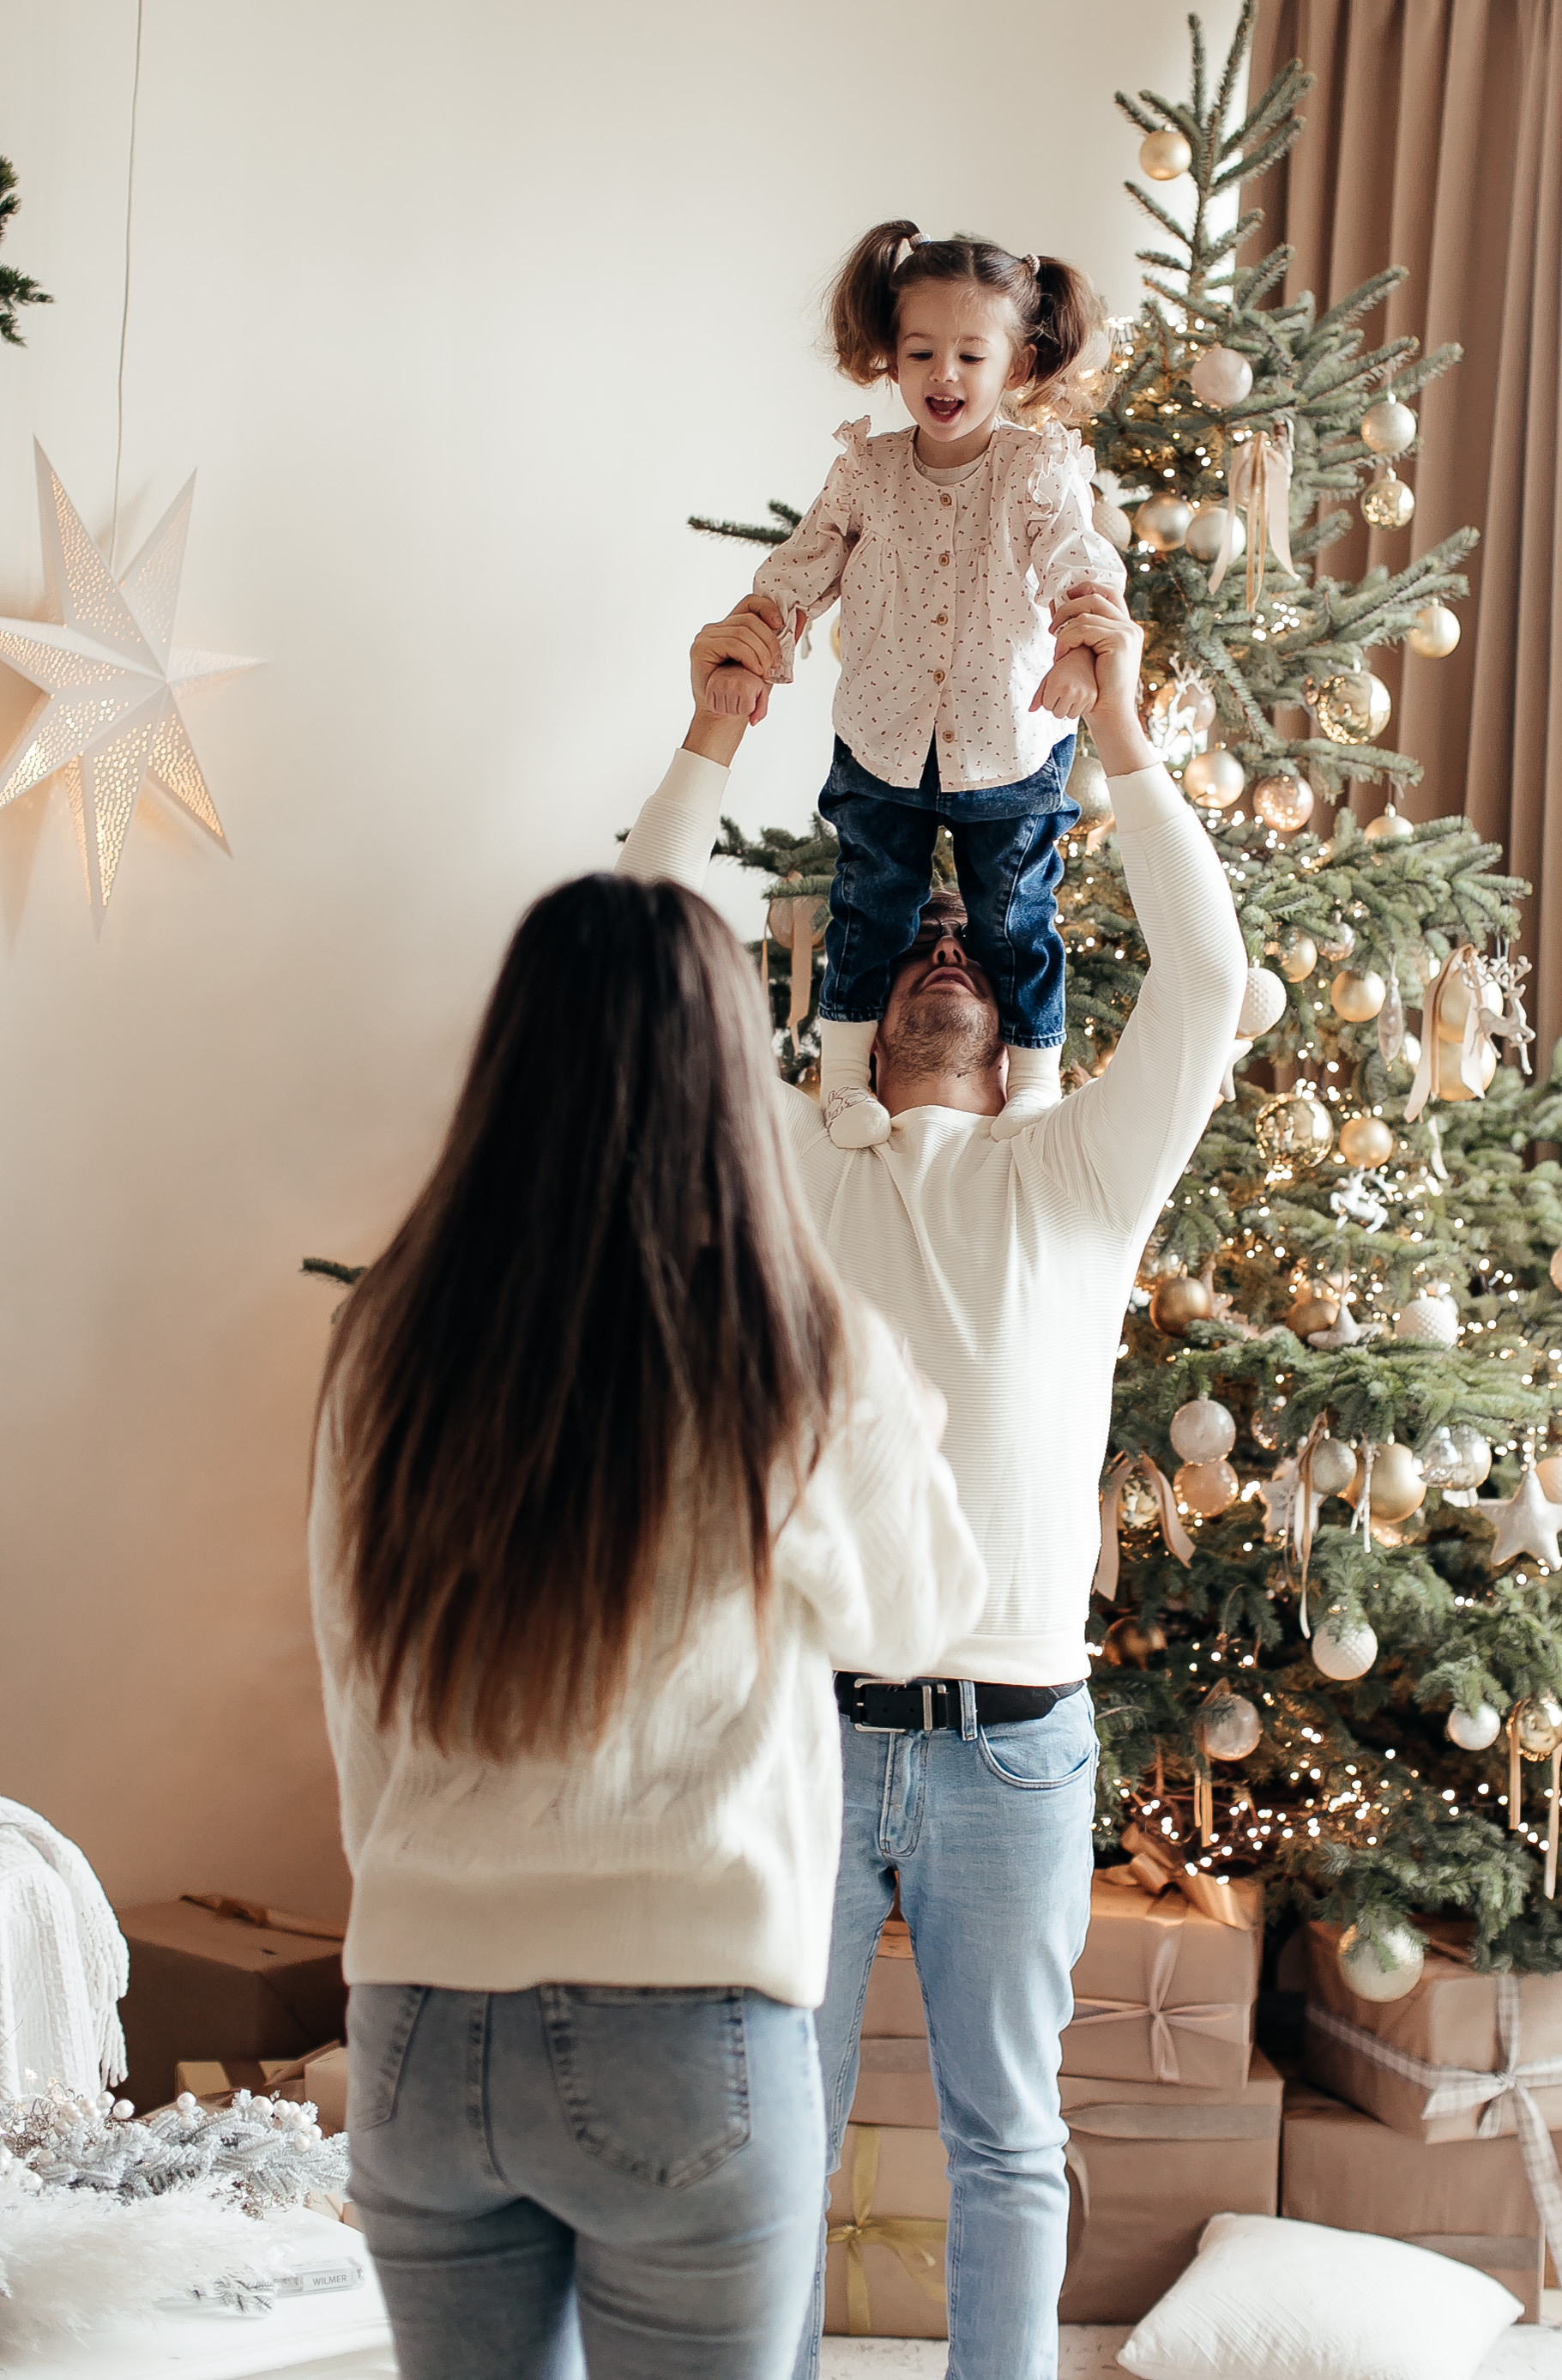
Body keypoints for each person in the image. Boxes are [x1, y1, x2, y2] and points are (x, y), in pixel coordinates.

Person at [617, 574, 1246, 2380]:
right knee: (771, 2141)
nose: (945, 954)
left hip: (1013, 1745)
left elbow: (1206, 982)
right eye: (911, 955)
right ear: (858, 1023)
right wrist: (718, 724)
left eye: (978, 950)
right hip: (803, 1737)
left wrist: (1117, 733)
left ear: (1018, 1019)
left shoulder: (1078, 1182)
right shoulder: (796, 1178)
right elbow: (639, 951)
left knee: (1006, 2133)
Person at [308, 871, 986, 2380]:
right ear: (724, 1073)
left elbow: (353, 1672)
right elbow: (926, 1609)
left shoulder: (390, 1340)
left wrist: (419, 1901)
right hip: (684, 2025)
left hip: (417, 2013)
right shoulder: (792, 1339)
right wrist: (899, 1418)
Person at [703, 220, 1125, 1148]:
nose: (945, 375)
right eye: (922, 351)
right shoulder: (867, 470)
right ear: (888, 359)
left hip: (1009, 741)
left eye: (971, 354)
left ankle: (1035, 1086)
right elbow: (801, 568)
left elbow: (1076, 564)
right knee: (867, 903)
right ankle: (846, 1077)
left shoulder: (1035, 470)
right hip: (884, 736)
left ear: (1016, 365)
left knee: (1014, 914)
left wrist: (1076, 652)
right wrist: (760, 639)